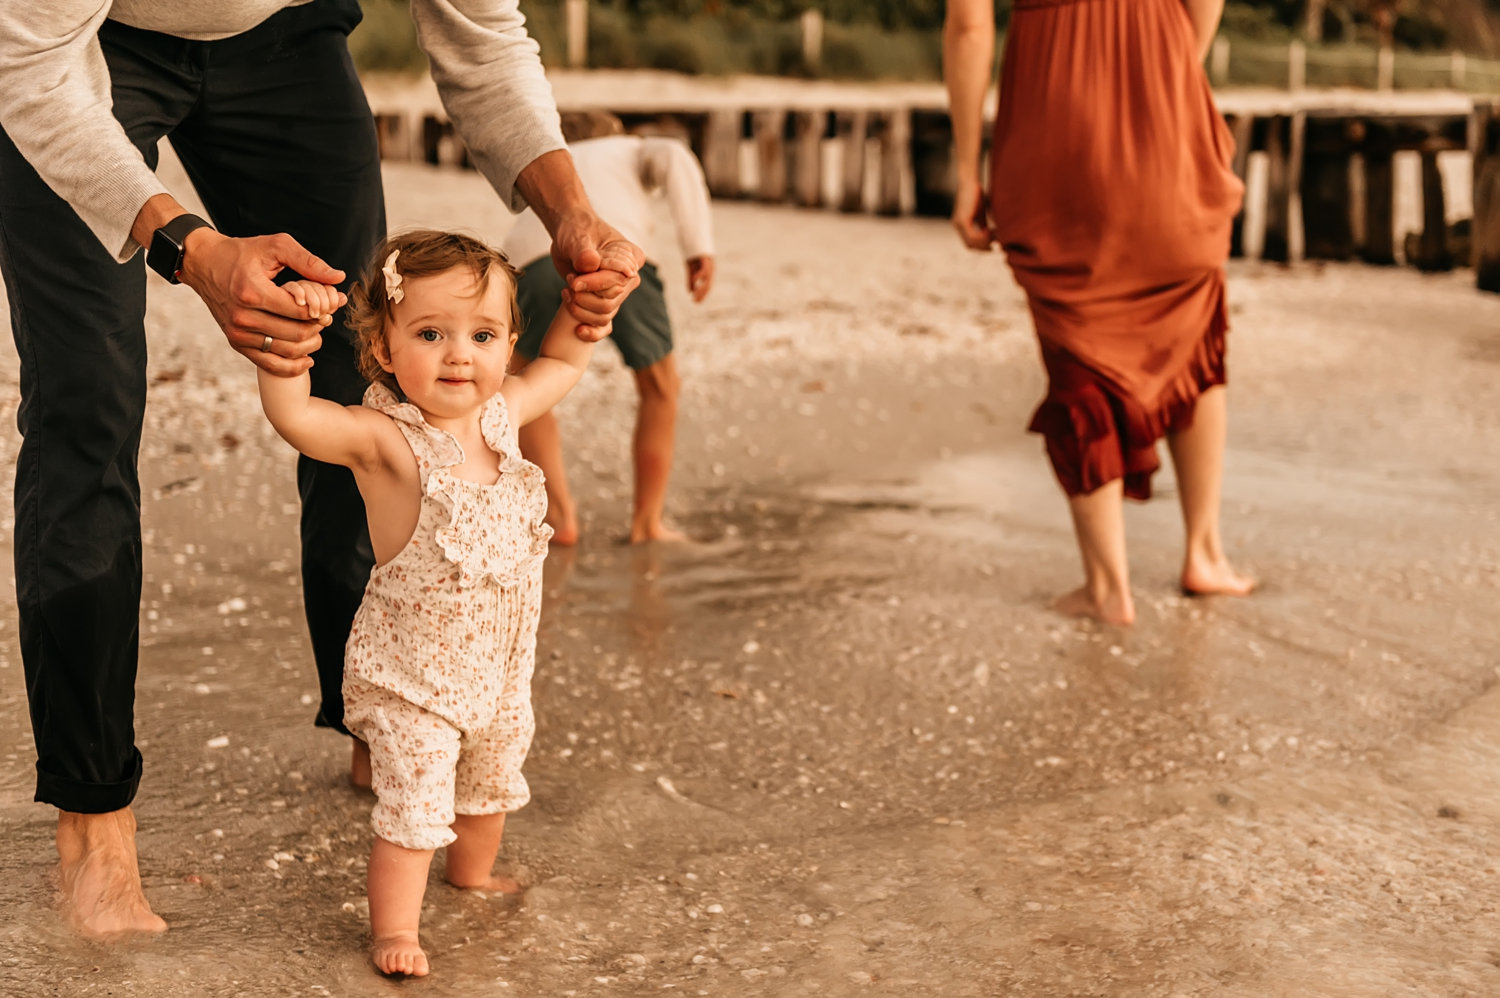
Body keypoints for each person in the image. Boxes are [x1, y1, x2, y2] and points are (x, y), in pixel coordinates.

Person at [0, 1, 642, 937]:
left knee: (366, 366)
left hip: (286, 42)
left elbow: (484, 41)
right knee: (84, 412)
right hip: (72, 49)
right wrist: (193, 249)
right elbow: (27, 62)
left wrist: (572, 213)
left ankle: (378, 721)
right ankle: (93, 825)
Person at [260, 229, 601, 977]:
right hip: (414, 683)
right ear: (384, 349)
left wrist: (591, 306)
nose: (459, 355)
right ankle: (395, 928)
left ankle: (473, 877)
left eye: (482, 335)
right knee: (415, 812)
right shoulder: (385, 441)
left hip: (503, 674)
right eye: (430, 334)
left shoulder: (505, 414)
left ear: (509, 342)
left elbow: (568, 359)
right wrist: (285, 356)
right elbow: (299, 419)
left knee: (489, 787)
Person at [943, 0, 1256, 626]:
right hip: (1164, 85)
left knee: (1074, 332)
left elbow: (970, 23)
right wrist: (1169, 68)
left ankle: (1108, 588)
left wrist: (966, 169)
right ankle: (1204, 553)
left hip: (1053, 112)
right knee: (1195, 320)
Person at [504, 110, 715, 545]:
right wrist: (698, 246)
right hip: (614, 251)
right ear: (616, 132)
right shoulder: (630, 148)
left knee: (524, 387)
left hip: (529, 258)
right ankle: (647, 523)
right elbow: (676, 156)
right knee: (660, 386)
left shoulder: (544, 162)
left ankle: (559, 519)